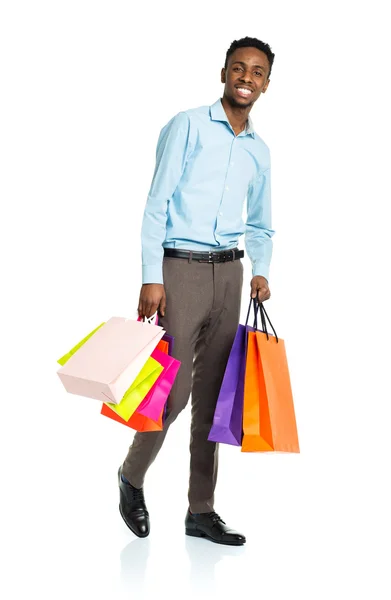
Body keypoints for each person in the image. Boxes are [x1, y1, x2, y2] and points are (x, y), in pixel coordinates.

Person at [118, 36, 275, 546]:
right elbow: (156, 200)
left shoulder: (259, 151)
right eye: (238, 68)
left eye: (256, 72)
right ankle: (132, 476)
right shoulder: (186, 125)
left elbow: (261, 224)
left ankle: (200, 510)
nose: (246, 78)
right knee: (172, 391)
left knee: (215, 398)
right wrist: (151, 275)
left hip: (230, 275)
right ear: (224, 73)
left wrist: (261, 268)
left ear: (267, 84)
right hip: (180, 269)